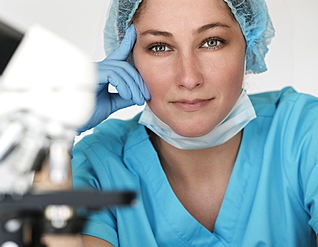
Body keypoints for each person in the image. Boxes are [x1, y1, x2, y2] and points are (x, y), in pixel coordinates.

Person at [39, 0, 318, 246]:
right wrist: (56, 133)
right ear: (129, 59)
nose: (188, 77)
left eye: (212, 42)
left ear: (249, 42)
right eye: (159, 47)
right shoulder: (100, 162)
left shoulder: (303, 131)